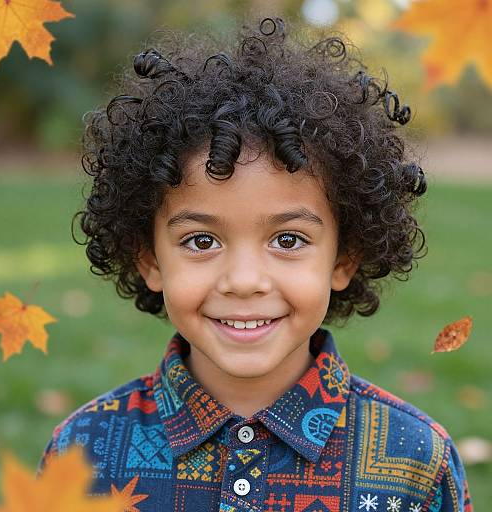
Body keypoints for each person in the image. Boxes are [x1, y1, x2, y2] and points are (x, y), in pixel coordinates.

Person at [37, 15, 473, 511]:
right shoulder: (84, 453)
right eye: (201, 241)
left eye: (288, 239)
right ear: (149, 258)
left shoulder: (413, 459)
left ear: (344, 256)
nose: (244, 281)